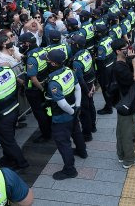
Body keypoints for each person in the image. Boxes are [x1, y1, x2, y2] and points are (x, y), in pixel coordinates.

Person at [45, 49, 87, 180]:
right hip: (74, 109)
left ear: (52, 64)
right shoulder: (69, 71)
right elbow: (78, 88)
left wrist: (72, 112)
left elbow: (62, 104)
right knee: (76, 132)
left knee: (63, 143)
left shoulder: (53, 82)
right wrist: (77, 107)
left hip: (62, 117)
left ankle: (70, 170)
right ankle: (82, 152)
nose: (46, 62)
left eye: (47, 60)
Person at [111, 38, 135, 169]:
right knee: (129, 134)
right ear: (118, 51)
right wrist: (134, 61)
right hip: (127, 105)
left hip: (124, 103)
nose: (128, 50)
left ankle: (121, 155)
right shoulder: (119, 67)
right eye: (125, 48)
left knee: (121, 131)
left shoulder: (124, 61)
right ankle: (129, 160)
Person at [21, 32, 52, 143]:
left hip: (35, 90)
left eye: (23, 44)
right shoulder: (42, 50)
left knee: (39, 113)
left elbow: (33, 79)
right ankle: (50, 129)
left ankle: (46, 134)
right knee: (46, 109)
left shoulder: (31, 58)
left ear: (27, 43)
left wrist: (41, 89)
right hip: (44, 84)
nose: (22, 46)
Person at [69, 34, 97, 141]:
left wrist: (87, 91)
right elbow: (91, 68)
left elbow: (80, 79)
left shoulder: (76, 61)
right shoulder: (87, 52)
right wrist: (93, 84)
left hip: (84, 88)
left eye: (71, 43)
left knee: (84, 112)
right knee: (91, 106)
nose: (70, 45)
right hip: (90, 84)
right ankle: (93, 126)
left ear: (76, 45)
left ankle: (87, 134)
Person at [95, 24, 116, 115]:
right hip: (112, 65)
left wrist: (98, 74)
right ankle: (113, 101)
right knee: (111, 85)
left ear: (99, 34)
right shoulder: (109, 39)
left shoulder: (101, 46)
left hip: (105, 70)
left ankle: (108, 107)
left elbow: (100, 61)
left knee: (105, 88)